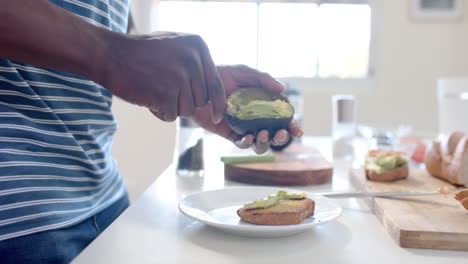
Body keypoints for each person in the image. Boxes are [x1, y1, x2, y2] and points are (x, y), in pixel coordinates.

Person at [0, 0, 303, 263]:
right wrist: (112, 53)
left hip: (107, 201)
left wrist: (180, 80)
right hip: (20, 222)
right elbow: (106, 47)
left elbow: (100, 20)